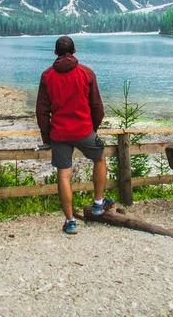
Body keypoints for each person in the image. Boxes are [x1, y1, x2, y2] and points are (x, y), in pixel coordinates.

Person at [36, 35, 115, 234]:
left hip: (59, 133)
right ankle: (98, 204)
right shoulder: (86, 73)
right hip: (83, 130)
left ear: (55, 52)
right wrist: (92, 129)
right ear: (75, 50)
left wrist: (47, 138)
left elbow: (42, 111)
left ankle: (70, 221)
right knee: (99, 158)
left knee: (64, 173)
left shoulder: (47, 76)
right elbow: (97, 106)